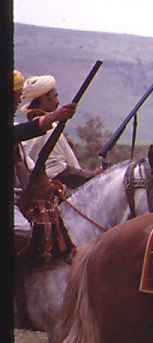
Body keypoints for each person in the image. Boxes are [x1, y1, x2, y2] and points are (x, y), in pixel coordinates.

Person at [12, 70, 77, 253]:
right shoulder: (15, 130)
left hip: (19, 195)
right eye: (16, 96)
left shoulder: (14, 126)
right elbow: (16, 133)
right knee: (23, 230)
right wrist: (54, 116)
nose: (18, 102)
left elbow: (28, 164)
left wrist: (47, 184)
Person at [20, 74, 102, 191]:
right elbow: (57, 171)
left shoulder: (30, 129)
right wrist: (91, 176)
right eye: (55, 96)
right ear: (44, 98)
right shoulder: (49, 129)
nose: (58, 102)